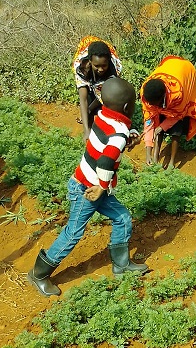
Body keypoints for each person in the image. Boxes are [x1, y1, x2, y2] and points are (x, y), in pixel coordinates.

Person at [27, 77, 149, 297]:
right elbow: (105, 162)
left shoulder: (102, 116)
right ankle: (39, 274)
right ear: (125, 107)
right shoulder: (119, 133)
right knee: (73, 233)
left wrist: (129, 137)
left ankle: (121, 265)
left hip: (86, 182)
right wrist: (102, 187)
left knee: (122, 218)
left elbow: (110, 140)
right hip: (89, 190)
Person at [140, 55, 196, 169]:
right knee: (158, 122)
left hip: (185, 72)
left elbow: (177, 116)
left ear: (163, 97)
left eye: (156, 104)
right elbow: (149, 122)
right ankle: (154, 157)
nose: (154, 107)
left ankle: (172, 163)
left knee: (176, 129)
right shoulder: (146, 94)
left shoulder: (178, 94)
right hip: (170, 69)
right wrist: (147, 152)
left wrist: (162, 127)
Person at [73, 36, 122, 141]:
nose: (100, 69)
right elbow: (83, 99)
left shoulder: (116, 67)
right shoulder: (80, 67)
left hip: (109, 61)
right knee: (89, 97)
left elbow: (104, 94)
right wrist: (86, 130)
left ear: (109, 62)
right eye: (97, 66)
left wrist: (90, 108)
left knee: (110, 98)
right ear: (90, 62)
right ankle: (89, 131)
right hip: (85, 45)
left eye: (104, 66)